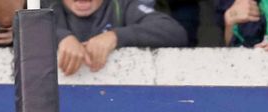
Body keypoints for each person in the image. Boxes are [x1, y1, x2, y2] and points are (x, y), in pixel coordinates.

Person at [48, 0, 187, 76]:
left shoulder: (121, 5)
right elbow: (26, 27)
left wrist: (115, 36)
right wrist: (60, 37)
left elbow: (174, 31)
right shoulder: (48, 7)